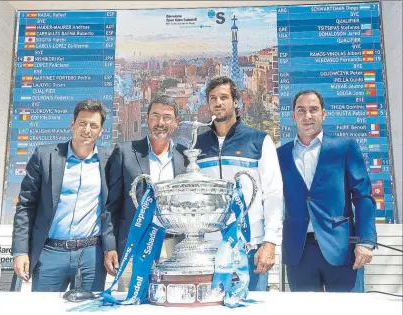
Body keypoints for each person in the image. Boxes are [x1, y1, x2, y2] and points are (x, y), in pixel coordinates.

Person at [277, 90, 377, 292]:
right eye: (301, 110)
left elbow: (363, 196)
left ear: (323, 114)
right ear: (293, 116)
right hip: (299, 252)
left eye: (313, 109)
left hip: (342, 250)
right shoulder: (280, 155)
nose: (308, 116)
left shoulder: (344, 148)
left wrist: (366, 241)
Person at [12, 100, 112, 292]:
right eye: (82, 123)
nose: (87, 130)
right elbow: (26, 206)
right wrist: (20, 251)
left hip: (91, 254)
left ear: (101, 131)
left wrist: (111, 248)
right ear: (72, 124)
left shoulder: (110, 160)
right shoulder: (45, 156)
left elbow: (113, 208)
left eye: (94, 125)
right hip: (50, 253)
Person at [194, 76, 284, 291]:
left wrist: (270, 242)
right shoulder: (197, 145)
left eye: (224, 97)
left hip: (250, 246)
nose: (218, 102)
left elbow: (273, 194)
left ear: (236, 101)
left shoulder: (259, 140)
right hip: (210, 247)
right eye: (213, 98)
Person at [103, 95, 187, 279]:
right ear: (147, 119)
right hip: (134, 247)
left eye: (167, 117)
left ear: (175, 122)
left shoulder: (185, 157)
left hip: (175, 249)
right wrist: (109, 246)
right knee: (131, 305)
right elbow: (110, 206)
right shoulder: (125, 152)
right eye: (155, 116)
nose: (160, 122)